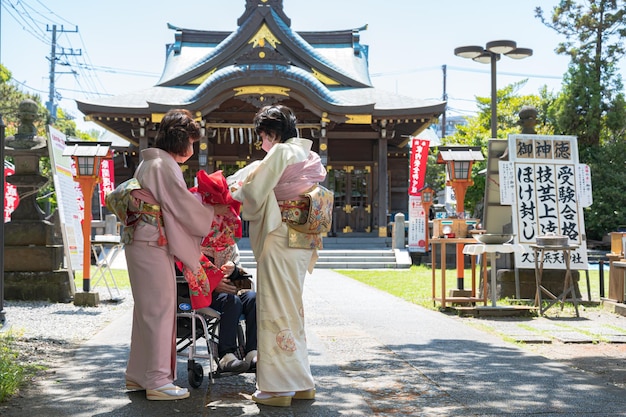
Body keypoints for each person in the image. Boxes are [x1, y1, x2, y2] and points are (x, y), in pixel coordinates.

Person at [113, 109, 227, 401]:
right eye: (191, 141)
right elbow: (181, 205)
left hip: (143, 240)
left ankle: (139, 375)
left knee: (148, 310)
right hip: (151, 242)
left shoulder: (151, 163)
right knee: (161, 310)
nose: (193, 148)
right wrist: (211, 212)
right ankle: (158, 380)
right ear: (181, 140)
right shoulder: (163, 166)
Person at [228, 104, 327, 407]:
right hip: (299, 238)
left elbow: (255, 192)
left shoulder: (281, 152)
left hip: (279, 235)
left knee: (274, 308)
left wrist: (235, 189)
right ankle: (300, 382)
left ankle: (277, 388)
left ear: (273, 133)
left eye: (262, 137)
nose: (261, 144)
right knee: (291, 309)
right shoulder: (307, 154)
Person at [202, 244, 257, 373]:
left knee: (253, 298)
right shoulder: (192, 240)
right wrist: (213, 283)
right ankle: (226, 356)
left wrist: (234, 270)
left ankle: (252, 352)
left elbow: (239, 272)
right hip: (204, 294)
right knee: (232, 302)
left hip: (230, 290)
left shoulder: (226, 241)